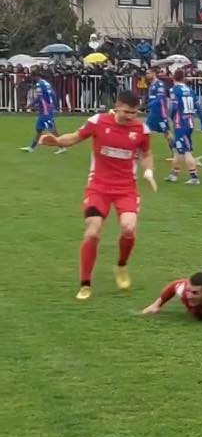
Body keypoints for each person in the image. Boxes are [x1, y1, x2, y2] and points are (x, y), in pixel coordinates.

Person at [39, 91, 157, 300]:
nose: (131, 116)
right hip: (99, 187)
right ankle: (85, 284)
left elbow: (146, 154)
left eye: (134, 112)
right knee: (92, 232)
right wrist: (56, 141)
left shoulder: (142, 129)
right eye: (127, 112)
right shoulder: (98, 121)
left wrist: (148, 172)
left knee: (128, 229)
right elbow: (75, 138)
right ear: (117, 106)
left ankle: (121, 266)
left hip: (126, 189)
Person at [167, 69, 202, 184]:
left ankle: (194, 177)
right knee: (176, 149)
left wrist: (170, 117)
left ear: (173, 78)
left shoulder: (174, 90)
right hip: (190, 122)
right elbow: (198, 108)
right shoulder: (190, 90)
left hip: (181, 124)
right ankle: (174, 174)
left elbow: (174, 107)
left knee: (186, 151)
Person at [22, 71, 66, 154]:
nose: (31, 78)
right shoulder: (46, 83)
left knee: (52, 129)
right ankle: (31, 148)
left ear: (36, 76)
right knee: (39, 129)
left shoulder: (39, 84)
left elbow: (39, 97)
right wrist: (54, 105)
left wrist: (29, 105)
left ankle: (62, 147)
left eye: (32, 76)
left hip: (46, 110)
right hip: (45, 109)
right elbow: (53, 94)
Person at [144, 68, 172, 159]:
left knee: (166, 133)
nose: (146, 75)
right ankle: (144, 151)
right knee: (146, 131)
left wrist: (148, 105)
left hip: (160, 113)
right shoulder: (151, 84)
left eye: (148, 73)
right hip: (153, 112)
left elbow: (160, 98)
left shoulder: (159, 84)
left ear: (153, 73)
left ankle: (175, 150)